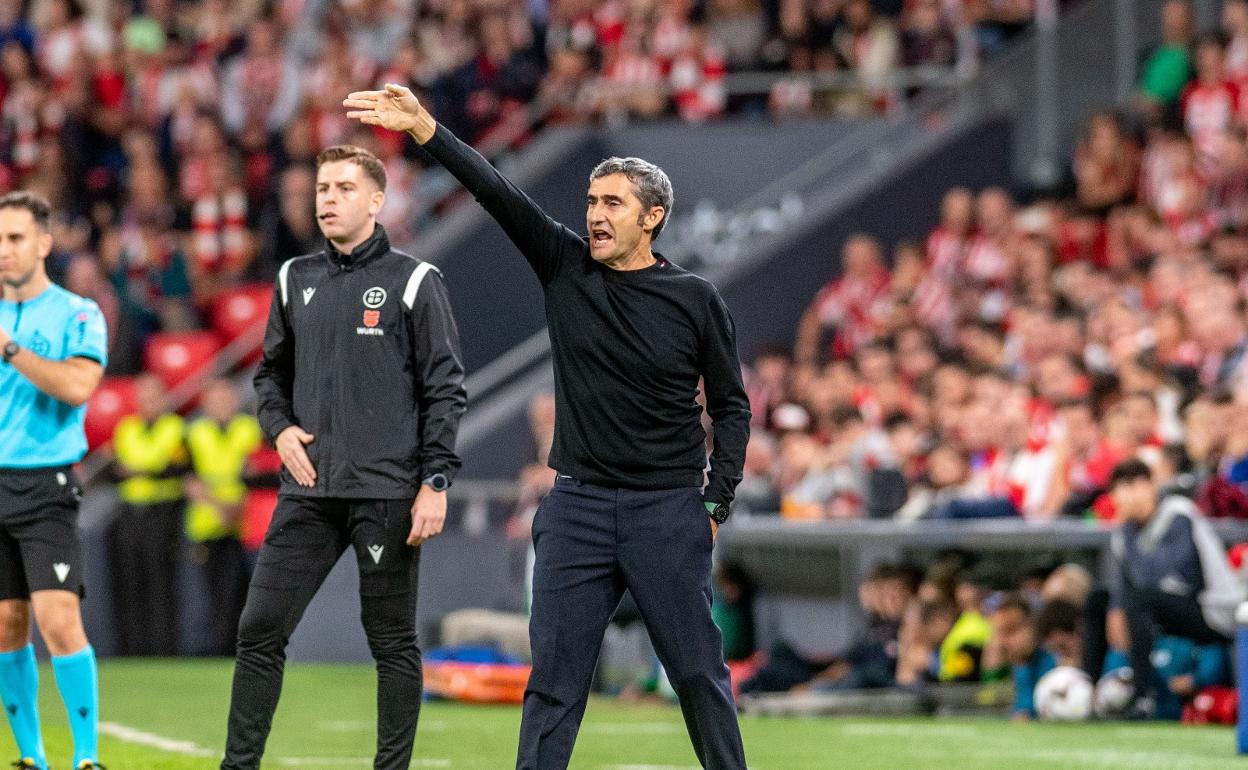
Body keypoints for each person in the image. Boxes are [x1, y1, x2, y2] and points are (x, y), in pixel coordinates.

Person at [345, 84, 751, 769]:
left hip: (666, 509)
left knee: (697, 677)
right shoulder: (565, 266)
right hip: (578, 509)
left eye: (612, 203)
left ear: (651, 218)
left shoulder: (694, 298)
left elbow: (733, 406)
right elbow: (497, 191)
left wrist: (716, 501)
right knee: (554, 687)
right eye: (592, 201)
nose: (594, 214)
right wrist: (426, 131)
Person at [219, 144, 467, 770]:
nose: (327, 199)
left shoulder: (415, 281)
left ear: (377, 200)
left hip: (386, 493)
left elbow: (445, 389)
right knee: (258, 629)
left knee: (389, 642)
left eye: (343, 188)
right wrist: (277, 429)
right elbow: (269, 375)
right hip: (307, 491)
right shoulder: (292, 278)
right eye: (323, 188)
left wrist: (435, 481)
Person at [0, 191, 108, 770]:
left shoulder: (77, 313)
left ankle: (87, 757)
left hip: (45, 486)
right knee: (5, 624)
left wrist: (11, 349)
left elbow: (77, 387)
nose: (3, 251)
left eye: (15, 238)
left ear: (43, 243)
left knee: (58, 619)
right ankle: (30, 757)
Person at [1097, 458, 1241, 717]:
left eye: (1134, 486)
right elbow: (1121, 586)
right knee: (1097, 600)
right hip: (1163, 609)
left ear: (1151, 486)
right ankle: (1092, 691)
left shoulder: (1178, 512)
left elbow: (1182, 581)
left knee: (1141, 601)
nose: (1129, 497)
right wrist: (1115, 608)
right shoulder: (1123, 534)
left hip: (1212, 610)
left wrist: (1127, 603)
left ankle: (1142, 698)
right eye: (1121, 490)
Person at [107, 372, 187, 657]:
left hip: (163, 511)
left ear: (164, 398)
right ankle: (133, 649)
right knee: (131, 581)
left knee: (161, 583)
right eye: (143, 396)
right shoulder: (127, 427)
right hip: (131, 511)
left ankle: (164, 649)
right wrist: (149, 469)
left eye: (153, 396)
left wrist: (140, 470)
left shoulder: (177, 428)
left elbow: (176, 468)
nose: (148, 402)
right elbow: (115, 469)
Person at [185, 377, 262, 657]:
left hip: (246, 523)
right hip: (207, 524)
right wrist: (219, 507)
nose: (221, 405)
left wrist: (236, 508)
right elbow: (189, 479)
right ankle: (218, 648)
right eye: (215, 399)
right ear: (205, 403)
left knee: (246, 589)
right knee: (213, 591)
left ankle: (243, 647)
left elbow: (256, 472)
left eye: (226, 398)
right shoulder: (194, 433)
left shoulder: (250, 429)